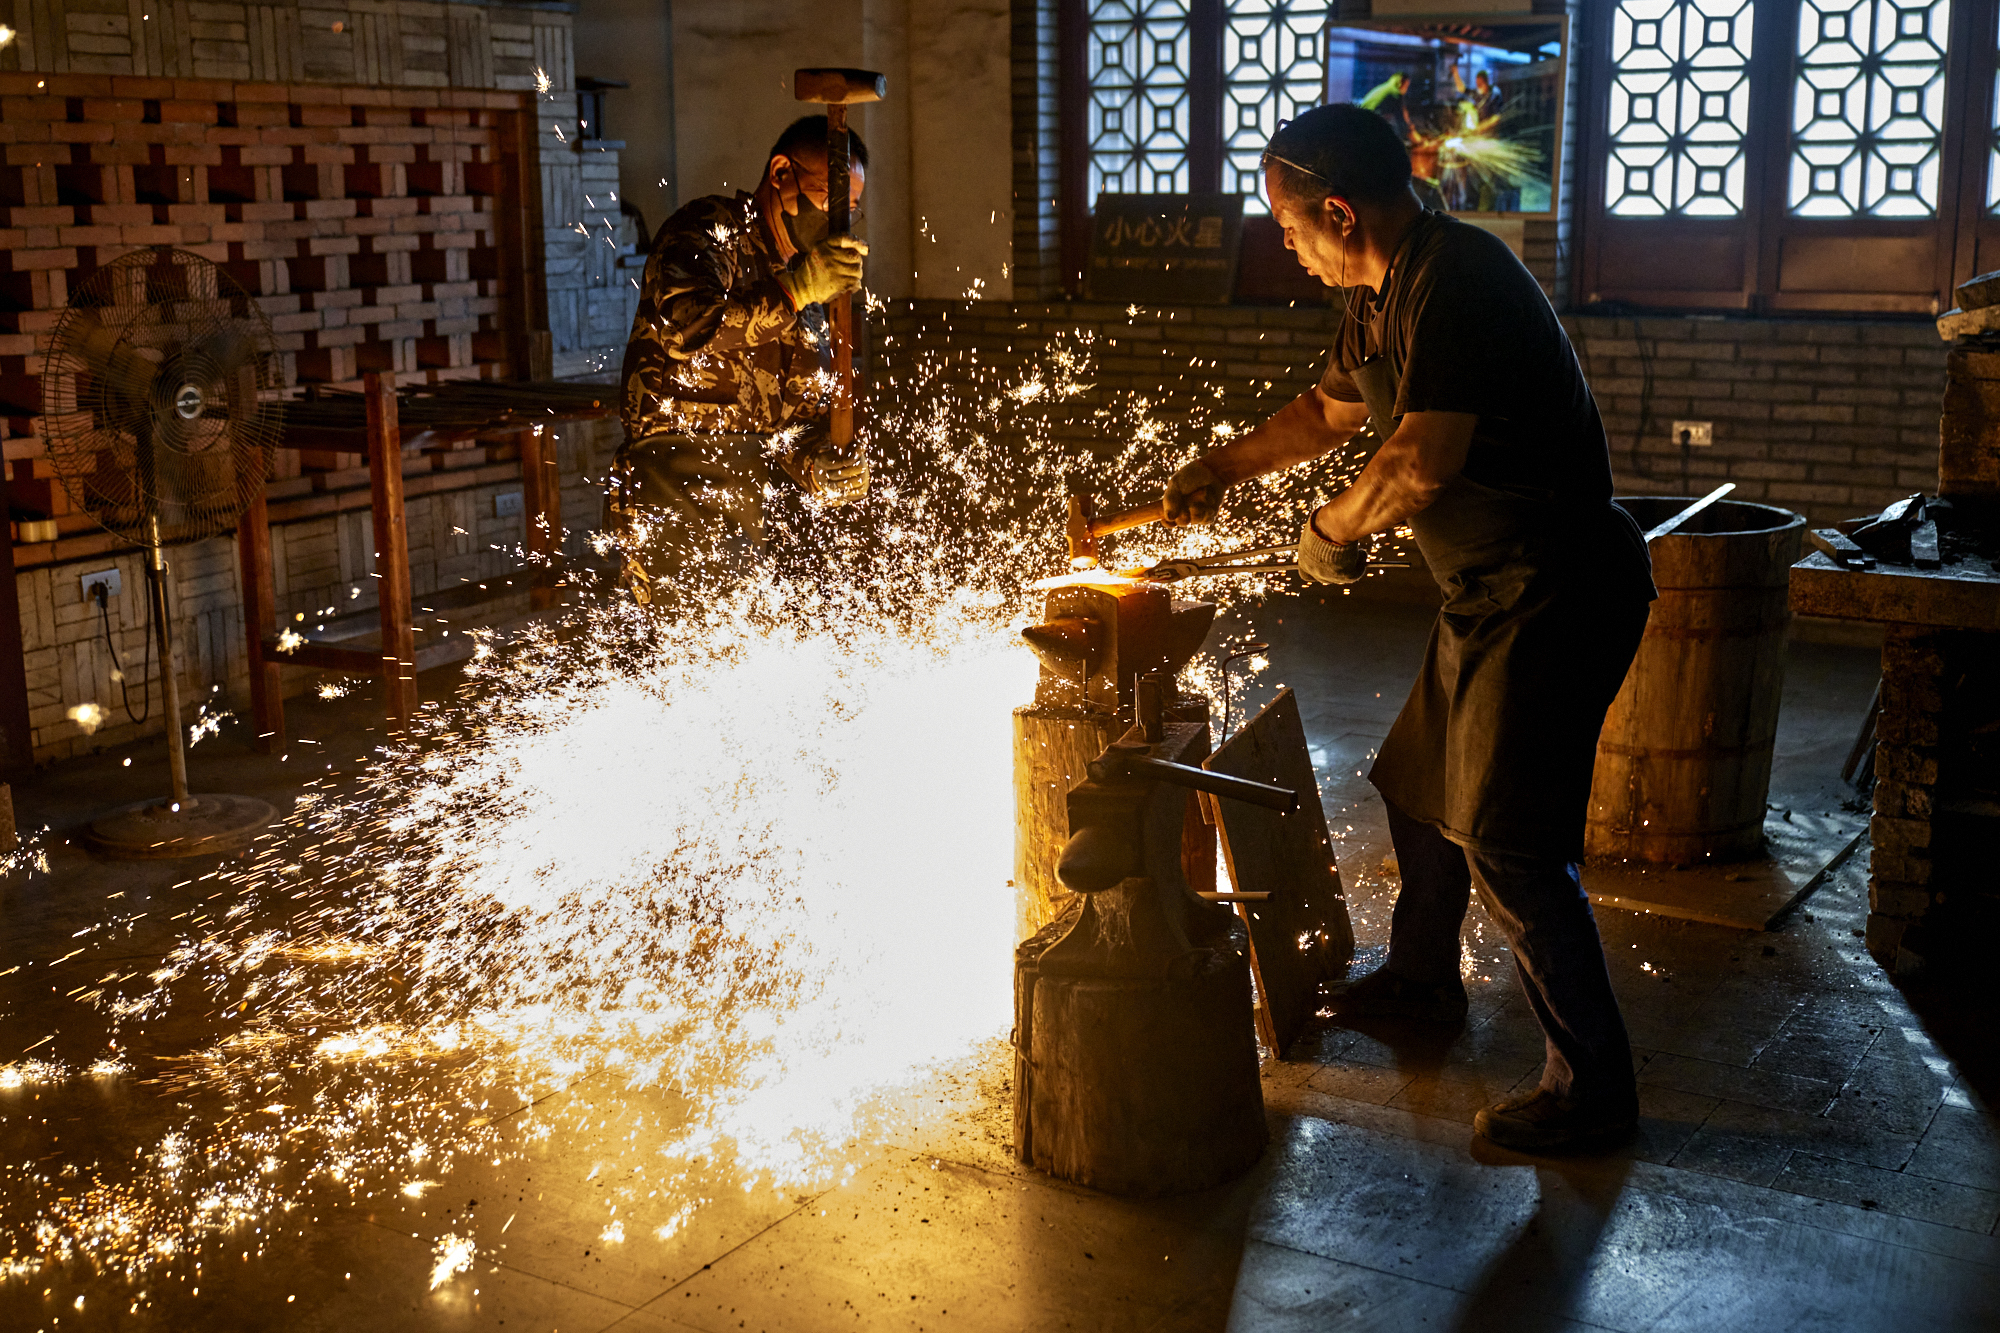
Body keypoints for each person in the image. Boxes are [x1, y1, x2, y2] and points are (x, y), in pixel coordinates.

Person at [1158, 104, 1655, 1153]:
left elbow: (1418, 459)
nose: (1284, 246)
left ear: (1337, 211)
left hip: (1554, 589)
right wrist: (1218, 467)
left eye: (1288, 226)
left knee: (1510, 844)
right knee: (1419, 786)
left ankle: (1591, 1087)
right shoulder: (1380, 296)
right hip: (1487, 592)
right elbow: (1328, 414)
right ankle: (1423, 982)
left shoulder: (1456, 277)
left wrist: (1328, 530)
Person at [611, 115, 873, 601]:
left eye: (851, 210)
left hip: (747, 500)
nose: (839, 221)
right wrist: (794, 292)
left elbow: (793, 420)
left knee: (738, 649)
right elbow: (687, 328)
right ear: (781, 174)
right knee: (680, 655)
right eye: (829, 201)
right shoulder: (709, 231)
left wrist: (822, 462)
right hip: (672, 479)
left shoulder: (805, 286)